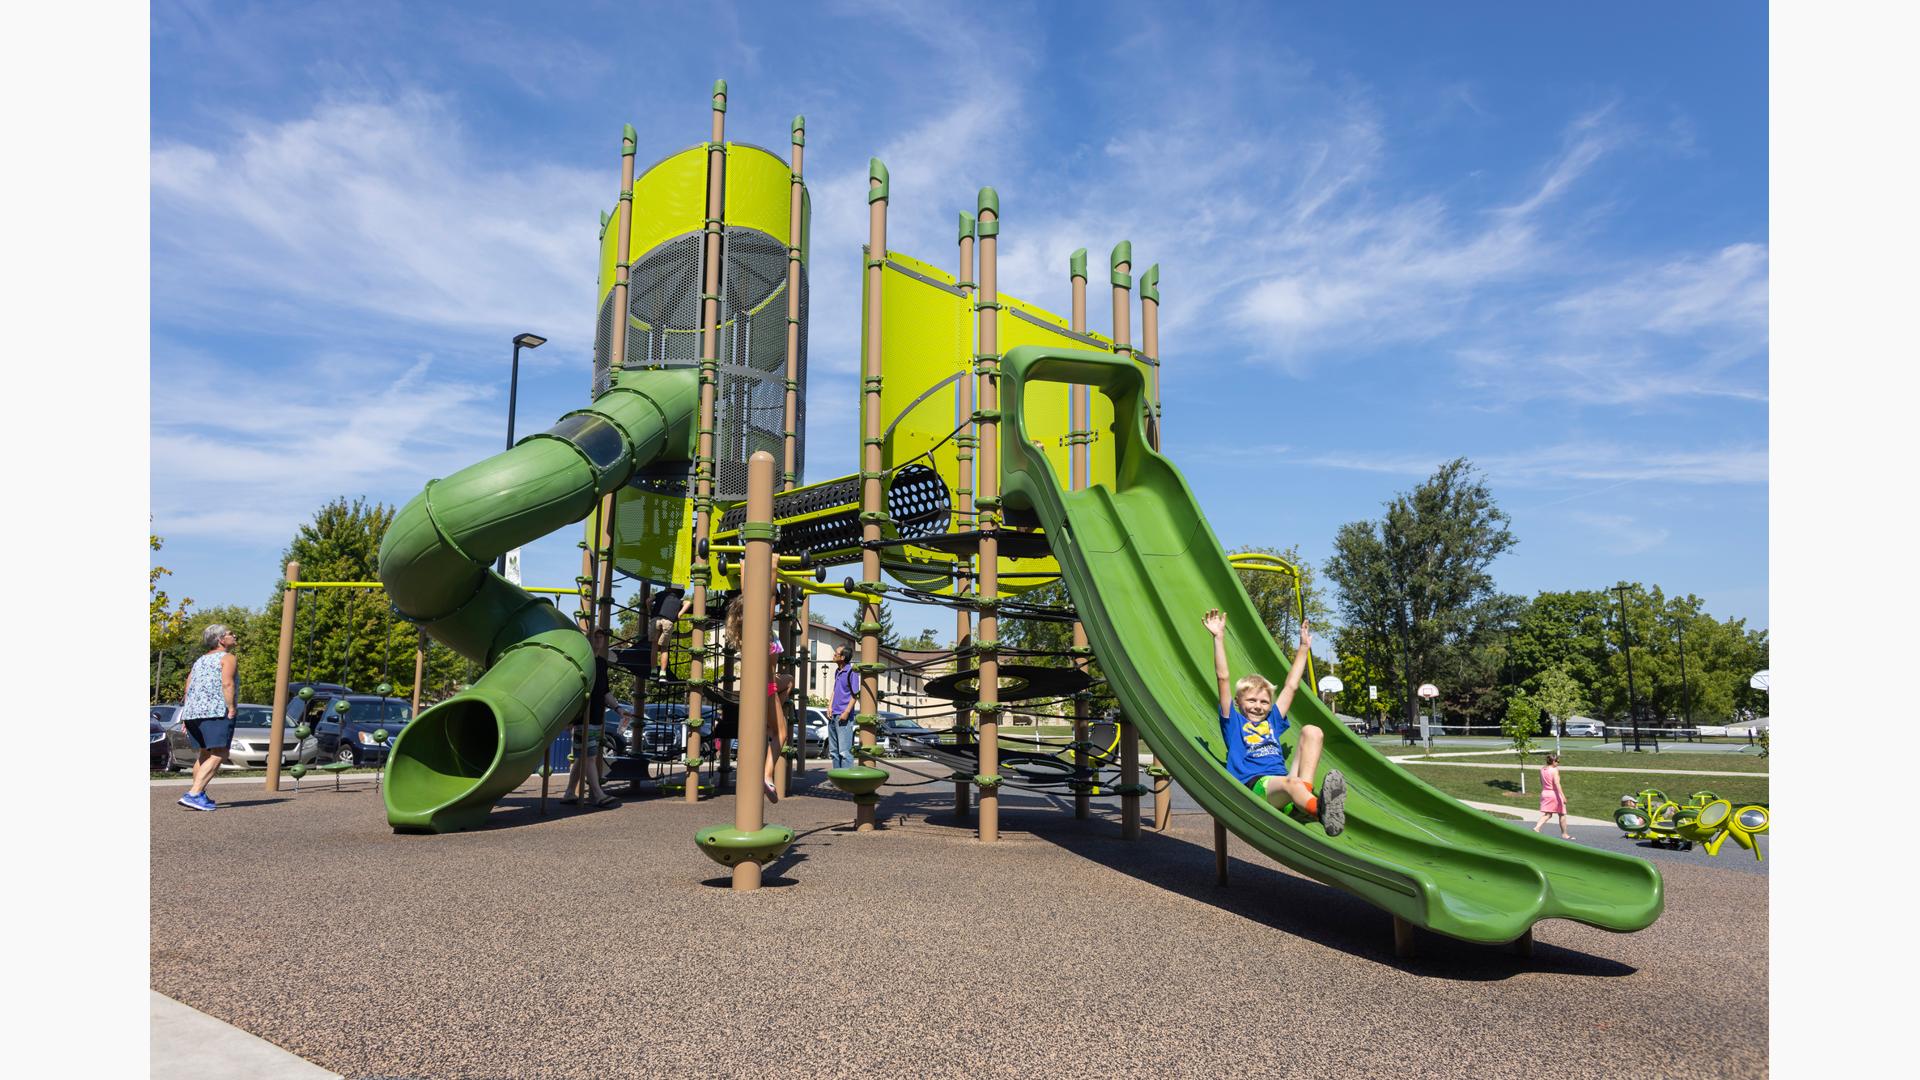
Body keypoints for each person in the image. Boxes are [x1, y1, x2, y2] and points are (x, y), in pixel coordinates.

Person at [1203, 609, 1347, 836]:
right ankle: (1319, 810)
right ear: (1238, 702)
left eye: (1263, 701)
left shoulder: (1272, 720)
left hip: (1284, 785)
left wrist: (1303, 648)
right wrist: (1218, 638)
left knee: (1313, 731)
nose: (1258, 705)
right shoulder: (1233, 723)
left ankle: (1304, 803)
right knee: (1292, 784)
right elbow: (1223, 678)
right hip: (1257, 786)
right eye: (1251, 700)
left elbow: (1291, 686)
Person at [725, 601, 786, 803]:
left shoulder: (744, 634)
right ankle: (767, 776)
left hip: (750, 689)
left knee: (789, 681)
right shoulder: (765, 633)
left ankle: (771, 723)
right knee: (782, 734)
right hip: (768, 687)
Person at [178, 624, 238, 811]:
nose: (234, 635)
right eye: (230, 634)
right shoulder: (228, 658)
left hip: (193, 713)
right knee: (220, 752)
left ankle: (199, 793)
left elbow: (188, 688)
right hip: (215, 711)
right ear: (221, 639)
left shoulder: (199, 661)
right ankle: (194, 794)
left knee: (204, 753)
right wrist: (231, 707)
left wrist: (186, 715)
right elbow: (227, 684)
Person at [564, 628, 619, 808]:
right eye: (594, 636)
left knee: (582, 757)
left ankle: (570, 792)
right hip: (582, 716)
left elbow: (604, 691)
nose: (597, 640)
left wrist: (618, 708)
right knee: (589, 756)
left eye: (600, 636)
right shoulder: (580, 662)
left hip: (595, 716)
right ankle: (597, 793)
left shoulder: (601, 663)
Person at [827, 645, 858, 770]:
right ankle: (837, 780)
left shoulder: (851, 671)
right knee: (834, 752)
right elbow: (835, 691)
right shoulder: (837, 671)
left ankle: (846, 781)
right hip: (833, 715)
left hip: (843, 716)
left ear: (843, 657)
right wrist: (829, 707)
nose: (834, 655)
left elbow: (855, 695)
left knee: (845, 752)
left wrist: (846, 712)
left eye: (836, 653)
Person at [651, 586, 691, 677]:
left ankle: (653, 671)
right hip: (668, 621)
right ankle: (662, 673)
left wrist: (650, 611)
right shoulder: (678, 599)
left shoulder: (660, 594)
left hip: (656, 619)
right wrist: (679, 614)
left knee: (654, 646)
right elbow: (688, 602)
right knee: (664, 648)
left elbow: (648, 600)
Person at [1533, 751, 1572, 838]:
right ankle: (1564, 834)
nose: (1558, 763)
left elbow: (1541, 782)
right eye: (1558, 761)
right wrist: (1563, 796)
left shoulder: (1542, 769)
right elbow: (1557, 784)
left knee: (1548, 814)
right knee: (1562, 814)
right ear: (1553, 761)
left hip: (1545, 792)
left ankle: (1537, 828)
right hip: (1554, 794)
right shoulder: (1554, 770)